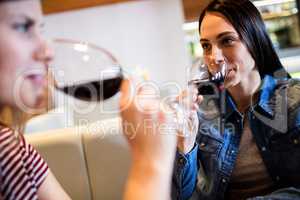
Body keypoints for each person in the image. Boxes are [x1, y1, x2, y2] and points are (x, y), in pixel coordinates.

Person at [0, 0, 177, 199]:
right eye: (23, 26)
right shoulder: (7, 148)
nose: (48, 52)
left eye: (40, 30)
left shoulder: (17, 147)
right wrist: (151, 163)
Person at [172, 0, 300, 199]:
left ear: (255, 41)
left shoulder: (295, 103)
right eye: (206, 45)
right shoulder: (200, 111)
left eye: (227, 41)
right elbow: (182, 195)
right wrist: (185, 145)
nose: (214, 57)